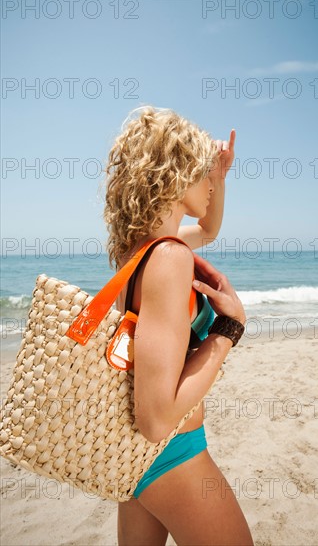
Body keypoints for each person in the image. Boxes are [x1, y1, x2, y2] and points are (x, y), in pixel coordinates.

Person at [102, 105, 254, 546]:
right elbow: (156, 418)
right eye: (203, 172)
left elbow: (207, 230)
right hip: (171, 454)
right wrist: (229, 330)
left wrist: (221, 178)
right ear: (174, 175)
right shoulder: (169, 259)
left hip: (136, 457)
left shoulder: (142, 251)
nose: (209, 182)